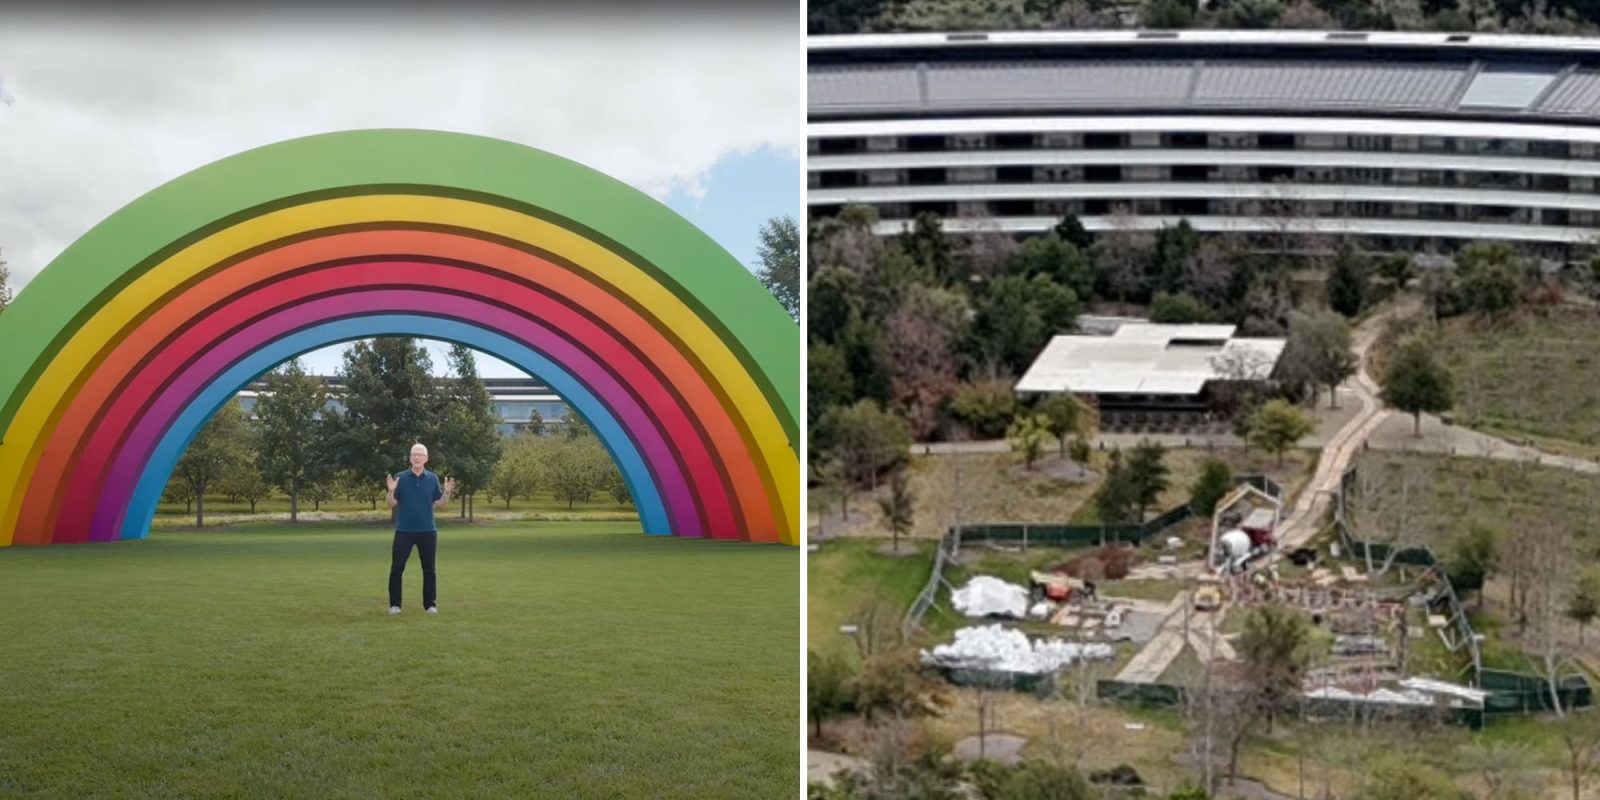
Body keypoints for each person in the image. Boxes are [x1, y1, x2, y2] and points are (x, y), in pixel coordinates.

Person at [386, 443, 456, 615]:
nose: (417, 457)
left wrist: (446, 493)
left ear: (426, 458)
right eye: (414, 455)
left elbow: (440, 505)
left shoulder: (432, 479)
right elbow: (391, 503)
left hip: (427, 531)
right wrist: (390, 491)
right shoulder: (400, 477)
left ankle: (430, 605)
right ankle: (395, 605)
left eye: (420, 455)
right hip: (404, 531)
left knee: (429, 570)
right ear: (410, 458)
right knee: (397, 568)